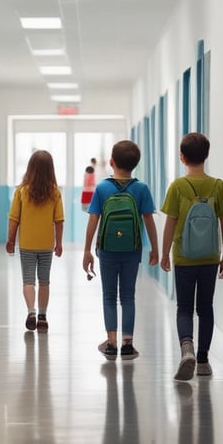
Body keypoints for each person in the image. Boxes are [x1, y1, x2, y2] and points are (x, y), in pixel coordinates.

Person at [160, 132, 223, 380]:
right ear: (207, 155)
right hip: (210, 257)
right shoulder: (218, 186)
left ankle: (187, 348)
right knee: (206, 308)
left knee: (184, 308)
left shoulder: (177, 187)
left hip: (183, 257)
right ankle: (203, 360)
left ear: (182, 157)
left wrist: (164, 253)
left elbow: (170, 223)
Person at [82, 140, 159, 360]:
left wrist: (87, 250)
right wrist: (154, 248)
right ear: (135, 164)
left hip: (107, 249)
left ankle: (111, 342)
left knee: (108, 296)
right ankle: (127, 344)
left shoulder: (103, 188)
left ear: (112, 162)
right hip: (132, 249)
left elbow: (93, 220)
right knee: (128, 296)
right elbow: (149, 221)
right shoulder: (141, 188)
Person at [6, 150, 64, 332]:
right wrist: (59, 243)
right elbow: (59, 220)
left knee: (28, 281)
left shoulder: (21, 191)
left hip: (27, 244)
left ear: (30, 168)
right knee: (45, 281)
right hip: (46, 244)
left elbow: (14, 218)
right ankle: (42, 317)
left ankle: (31, 311)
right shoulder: (55, 192)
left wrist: (10, 240)